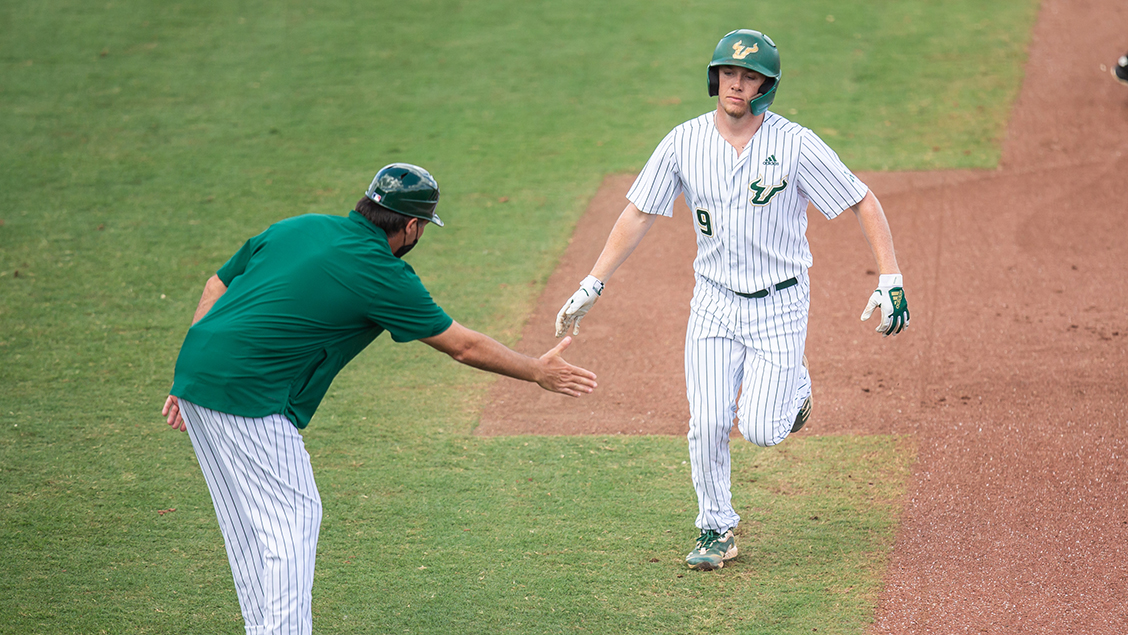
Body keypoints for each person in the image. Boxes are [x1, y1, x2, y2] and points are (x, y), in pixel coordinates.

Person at [162, 163, 597, 634]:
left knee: (248, 524)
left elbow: (216, 286)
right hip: (248, 395)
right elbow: (462, 346)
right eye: (424, 225)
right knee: (293, 519)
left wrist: (190, 378)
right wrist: (535, 370)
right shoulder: (381, 273)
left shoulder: (300, 226)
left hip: (198, 378)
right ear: (411, 225)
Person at [554, 29, 909, 571]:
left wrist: (890, 275)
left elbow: (862, 199)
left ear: (766, 86)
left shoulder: (795, 144)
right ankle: (715, 527)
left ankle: (796, 385)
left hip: (780, 305)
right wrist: (593, 282)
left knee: (763, 431)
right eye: (728, 73)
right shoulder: (683, 142)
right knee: (708, 420)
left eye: (749, 77)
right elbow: (639, 212)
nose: (735, 85)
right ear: (714, 76)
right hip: (714, 303)